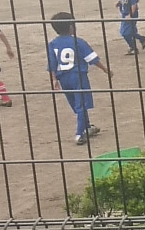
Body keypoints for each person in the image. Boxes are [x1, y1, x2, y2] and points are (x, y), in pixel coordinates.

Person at [44, 11, 110, 146]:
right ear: (71, 27)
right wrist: (105, 69)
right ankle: (80, 133)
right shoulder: (78, 42)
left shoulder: (53, 44)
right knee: (82, 104)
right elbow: (92, 59)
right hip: (77, 76)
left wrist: (54, 79)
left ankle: (87, 126)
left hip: (63, 78)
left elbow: (52, 64)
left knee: (76, 104)